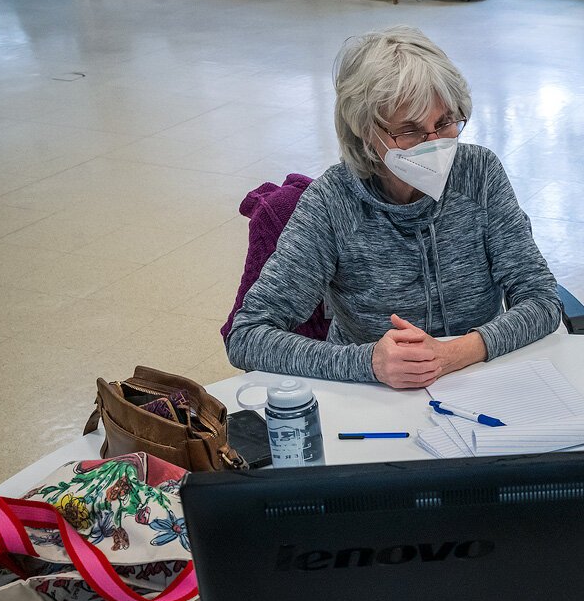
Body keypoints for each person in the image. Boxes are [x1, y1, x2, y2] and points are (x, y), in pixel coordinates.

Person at [226, 26, 562, 388]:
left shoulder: (478, 173)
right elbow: (247, 337)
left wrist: (455, 354)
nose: (435, 143)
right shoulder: (331, 203)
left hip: (478, 382)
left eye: (446, 121)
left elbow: (541, 299)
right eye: (410, 131)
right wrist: (370, 362)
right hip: (374, 395)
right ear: (365, 132)